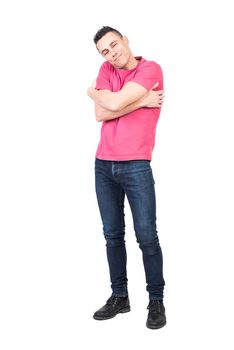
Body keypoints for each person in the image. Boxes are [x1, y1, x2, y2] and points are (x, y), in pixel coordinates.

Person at [87, 26, 166, 329]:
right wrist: (142, 102)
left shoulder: (151, 68)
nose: (111, 54)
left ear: (126, 41)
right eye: (104, 51)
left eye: (114, 45)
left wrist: (93, 92)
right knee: (112, 235)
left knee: (147, 236)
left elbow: (115, 104)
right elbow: (100, 114)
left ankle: (156, 300)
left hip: (136, 165)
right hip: (103, 165)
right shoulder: (106, 70)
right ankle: (120, 296)